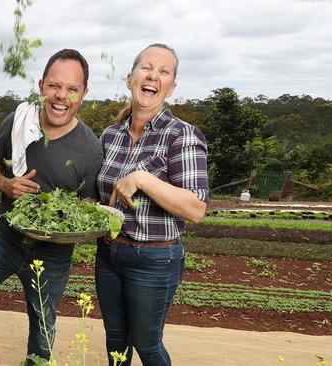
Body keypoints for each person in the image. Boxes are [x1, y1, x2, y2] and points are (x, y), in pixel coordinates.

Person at [0, 49, 103, 365]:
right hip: (5, 232)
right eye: (54, 85)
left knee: (42, 325)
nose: (61, 96)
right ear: (41, 86)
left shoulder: (90, 147)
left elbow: (89, 205)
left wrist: (67, 218)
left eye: (72, 89)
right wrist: (7, 185)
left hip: (53, 250)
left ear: (84, 93)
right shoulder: (17, 121)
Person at [95, 43, 209, 366]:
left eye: (164, 72)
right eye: (146, 68)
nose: (153, 76)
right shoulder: (110, 135)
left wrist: (143, 179)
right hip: (108, 253)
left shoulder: (181, 135)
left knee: (147, 344)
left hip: (154, 259)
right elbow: (102, 194)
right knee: (116, 344)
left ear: (171, 87)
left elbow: (196, 208)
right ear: (131, 77)